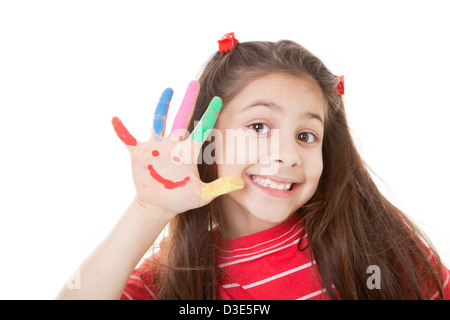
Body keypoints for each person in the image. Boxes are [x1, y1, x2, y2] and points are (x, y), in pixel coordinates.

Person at [56, 33, 449, 300]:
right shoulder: (168, 278)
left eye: (306, 135)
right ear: (206, 138)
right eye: (259, 126)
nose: (289, 154)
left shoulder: (367, 238)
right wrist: (150, 210)